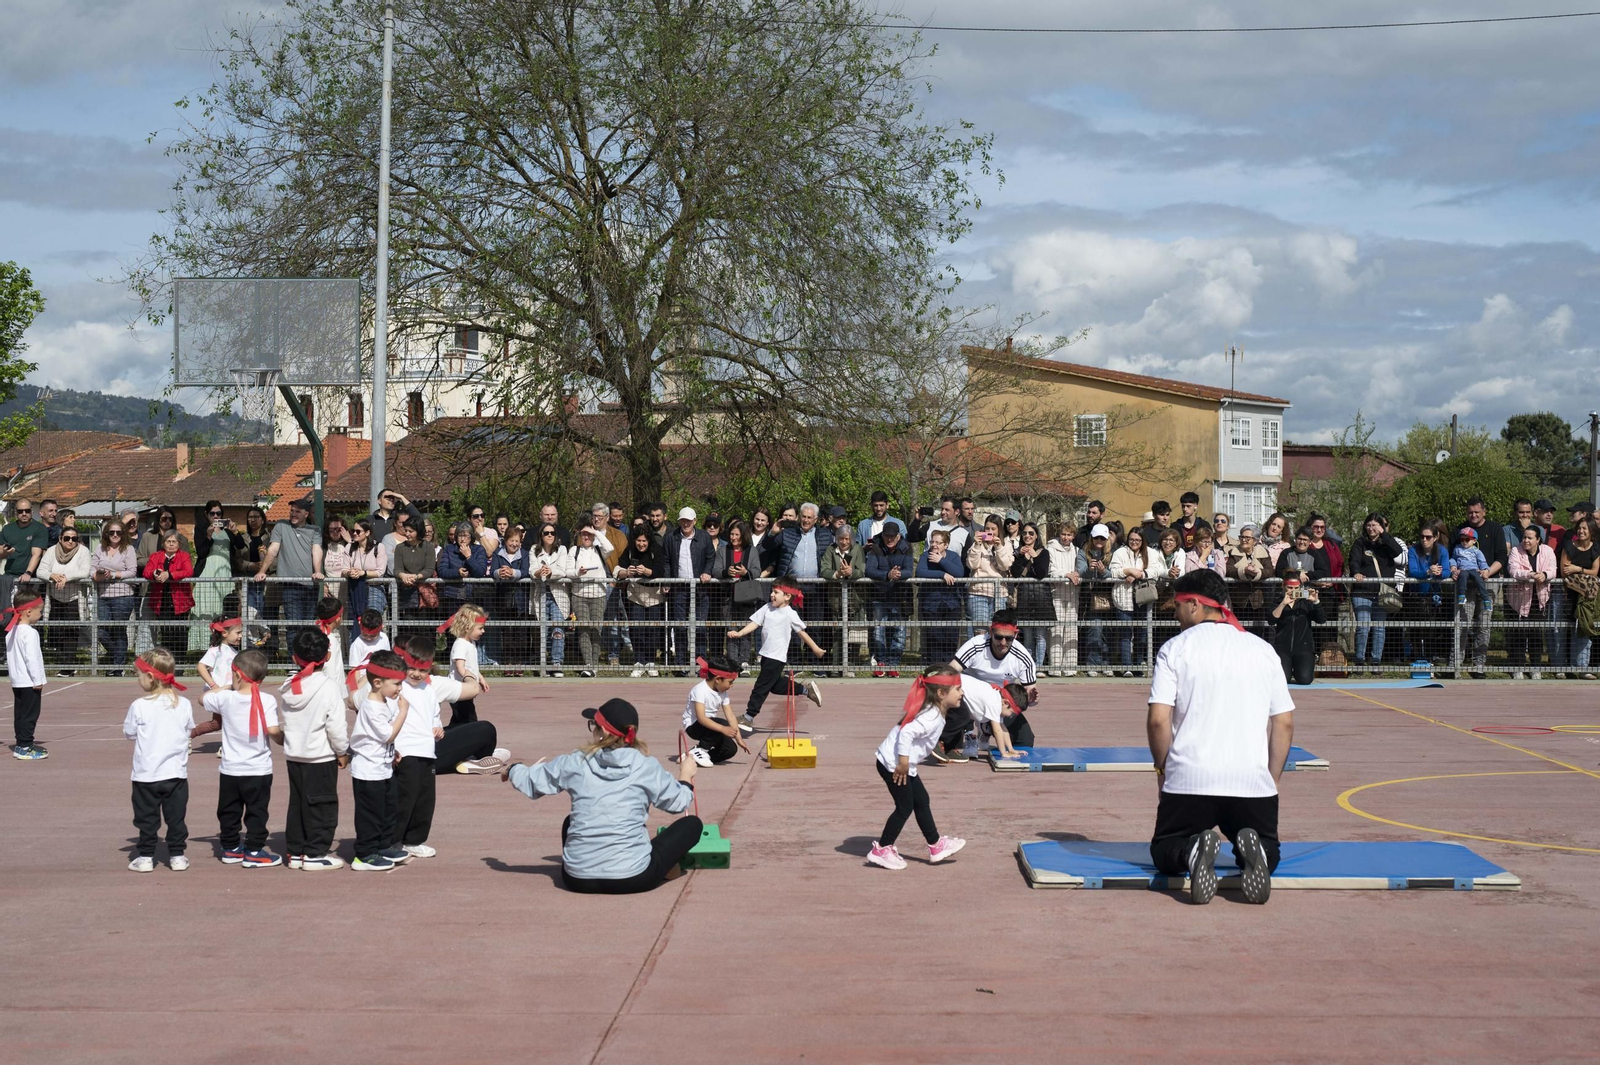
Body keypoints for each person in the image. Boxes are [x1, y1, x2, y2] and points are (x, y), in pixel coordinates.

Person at [1147, 569, 1294, 905]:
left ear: (1195, 605)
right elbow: (1284, 723)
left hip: (1190, 779)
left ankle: (1191, 851)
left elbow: (1158, 720)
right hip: (1250, 781)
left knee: (1166, 846)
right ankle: (1255, 851)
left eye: (1178, 607)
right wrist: (1270, 780)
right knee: (1270, 848)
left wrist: (1162, 769)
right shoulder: (1261, 650)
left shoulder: (1175, 649)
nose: (1175, 614)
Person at [503, 697, 702, 894]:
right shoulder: (645, 765)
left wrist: (513, 769)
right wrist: (685, 775)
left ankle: (588, 863)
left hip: (576, 880)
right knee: (692, 824)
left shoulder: (577, 761)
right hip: (633, 878)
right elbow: (678, 803)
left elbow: (531, 780)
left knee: (570, 822)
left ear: (602, 732)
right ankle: (658, 865)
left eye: (593, 725)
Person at [392, 635, 490, 858]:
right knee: (404, 799)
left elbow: (434, 715)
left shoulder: (429, 689)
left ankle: (414, 840)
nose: (416, 674)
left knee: (425, 799)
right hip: (405, 751)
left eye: (422, 670)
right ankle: (393, 841)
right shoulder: (398, 688)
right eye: (411, 668)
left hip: (427, 751)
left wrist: (438, 728)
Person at [866, 669, 968, 871]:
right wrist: (903, 763)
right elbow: (906, 733)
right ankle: (882, 849)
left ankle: (936, 845)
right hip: (894, 764)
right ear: (941, 694)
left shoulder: (935, 711)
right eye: (958, 689)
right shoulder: (931, 715)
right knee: (905, 806)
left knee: (921, 800)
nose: (962, 693)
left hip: (901, 763)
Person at [278, 628, 350, 871]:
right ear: (327, 656)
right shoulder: (329, 687)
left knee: (297, 804)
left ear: (294, 658)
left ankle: (296, 851)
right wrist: (342, 751)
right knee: (322, 805)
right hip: (320, 756)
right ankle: (315, 852)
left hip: (294, 754)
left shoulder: (289, 685)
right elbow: (336, 727)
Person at [204, 648, 283, 867]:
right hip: (258, 769)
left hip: (231, 769)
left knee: (229, 810)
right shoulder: (267, 700)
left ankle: (230, 848)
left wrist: (227, 687)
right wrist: (283, 740)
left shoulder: (226, 698)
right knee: (257, 811)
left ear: (237, 675)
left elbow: (203, 699)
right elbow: (273, 730)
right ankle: (254, 850)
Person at [124, 647, 195, 871]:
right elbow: (188, 729)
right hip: (175, 774)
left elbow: (129, 733)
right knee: (176, 817)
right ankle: (177, 855)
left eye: (139, 675)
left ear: (151, 677)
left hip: (146, 775)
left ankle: (145, 856)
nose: (138, 679)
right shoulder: (183, 704)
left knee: (146, 818)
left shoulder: (139, 706)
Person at [347, 649, 414, 871]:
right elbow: (387, 734)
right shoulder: (371, 706)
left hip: (383, 767)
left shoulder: (382, 702)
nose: (399, 689)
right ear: (377, 682)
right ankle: (364, 854)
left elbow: (382, 739)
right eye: (396, 684)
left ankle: (382, 846)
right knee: (370, 814)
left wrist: (391, 750)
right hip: (368, 772)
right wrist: (403, 712)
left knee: (388, 810)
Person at [729, 581, 826, 731]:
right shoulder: (767, 608)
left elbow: (802, 633)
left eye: (775, 592)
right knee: (774, 686)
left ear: (787, 596)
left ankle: (749, 717)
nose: (771, 595)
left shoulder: (790, 614)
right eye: (772, 592)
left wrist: (816, 648)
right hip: (766, 656)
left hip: (777, 657)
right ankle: (806, 690)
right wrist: (740, 633)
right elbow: (754, 623)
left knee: (760, 687)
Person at [947, 609, 1039, 750]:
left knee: (1025, 742)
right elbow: (949, 674)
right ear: (990, 632)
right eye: (998, 637)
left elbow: (1030, 695)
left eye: (1008, 638)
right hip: (969, 701)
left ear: (1016, 634)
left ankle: (985, 729)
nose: (1003, 642)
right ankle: (967, 732)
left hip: (1001, 702)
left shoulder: (1023, 658)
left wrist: (1032, 699)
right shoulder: (975, 645)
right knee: (954, 743)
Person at [933, 672, 1028, 763]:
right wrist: (1003, 753)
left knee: (961, 717)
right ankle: (936, 741)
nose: (1011, 716)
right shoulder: (994, 702)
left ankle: (948, 748)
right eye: (1012, 713)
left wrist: (1011, 749)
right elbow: (997, 731)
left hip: (953, 685)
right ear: (1006, 703)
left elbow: (1003, 729)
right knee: (962, 716)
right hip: (949, 685)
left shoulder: (998, 700)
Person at [1348, 514, 1404, 669]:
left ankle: (1376, 660)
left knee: (1380, 627)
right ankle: (1359, 659)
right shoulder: (1360, 543)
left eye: (1375, 525)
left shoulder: (1387, 543)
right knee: (1363, 626)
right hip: (1362, 592)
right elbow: (1354, 560)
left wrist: (1384, 534)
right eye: (1368, 525)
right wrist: (1356, 572)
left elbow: (1398, 553)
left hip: (1382, 593)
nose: (1371, 528)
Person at [663, 507, 714, 670]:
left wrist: (707, 571)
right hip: (679, 589)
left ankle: (700, 663)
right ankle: (680, 663)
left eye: (689, 520)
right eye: (683, 520)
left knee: (699, 627)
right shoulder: (670, 537)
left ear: (695, 521)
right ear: (678, 521)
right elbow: (666, 561)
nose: (686, 523)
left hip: (700, 589)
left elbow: (711, 557)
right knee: (680, 626)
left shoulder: (704, 537)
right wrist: (667, 581)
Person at [37, 522, 91, 674]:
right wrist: (52, 576)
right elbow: (40, 571)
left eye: (74, 539)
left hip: (74, 597)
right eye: (67, 538)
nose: (70, 541)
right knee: (57, 631)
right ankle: (63, 660)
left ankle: (68, 666)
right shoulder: (51, 551)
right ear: (60, 539)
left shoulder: (83, 551)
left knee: (70, 631)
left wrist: (66, 577)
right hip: (55, 597)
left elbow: (84, 572)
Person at [258, 497, 323, 624]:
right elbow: (273, 549)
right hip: (290, 584)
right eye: (292, 510)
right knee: (293, 624)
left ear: (306, 514)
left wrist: (318, 571)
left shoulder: (314, 530)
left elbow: (316, 550)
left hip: (310, 584)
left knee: (309, 624)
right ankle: (293, 645)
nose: (293, 514)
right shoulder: (281, 525)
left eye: (298, 511)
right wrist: (262, 571)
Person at [1506, 525, 1556, 679]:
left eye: (1530, 538)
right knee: (1519, 634)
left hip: (1539, 599)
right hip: (1518, 600)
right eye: (1524, 537)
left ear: (1538, 540)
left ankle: (1536, 667)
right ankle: (1518, 667)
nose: (1526, 540)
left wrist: (1545, 575)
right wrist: (1530, 574)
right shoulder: (1516, 550)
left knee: (1535, 634)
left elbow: (1553, 569)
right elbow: (1513, 570)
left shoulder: (1547, 551)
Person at [865, 521, 913, 678]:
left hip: (899, 596)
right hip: (879, 595)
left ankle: (894, 663)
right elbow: (870, 570)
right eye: (887, 536)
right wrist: (887, 575)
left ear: (898, 536)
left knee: (899, 631)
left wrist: (899, 575)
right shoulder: (875, 547)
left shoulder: (907, 547)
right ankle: (881, 662)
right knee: (879, 630)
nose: (890, 539)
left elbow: (909, 570)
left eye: (893, 536)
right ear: (883, 535)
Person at [683, 654, 749, 766]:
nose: (731, 686)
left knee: (730, 749)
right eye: (730, 682)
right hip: (694, 726)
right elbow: (701, 718)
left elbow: (731, 716)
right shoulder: (699, 690)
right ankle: (701, 750)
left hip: (711, 728)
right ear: (718, 679)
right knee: (722, 723)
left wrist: (739, 739)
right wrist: (723, 728)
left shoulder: (723, 693)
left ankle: (692, 758)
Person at [1110, 526, 1159, 676]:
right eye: (1131, 539)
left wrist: (1140, 574)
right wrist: (1128, 571)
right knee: (1125, 633)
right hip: (1123, 598)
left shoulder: (1151, 553)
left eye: (1137, 540)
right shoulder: (1120, 552)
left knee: (1141, 634)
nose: (1134, 542)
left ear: (1143, 540)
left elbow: (1156, 570)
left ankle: (1138, 666)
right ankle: (1127, 667)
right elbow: (1113, 570)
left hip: (1143, 599)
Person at [618, 526, 665, 677]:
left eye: (644, 541)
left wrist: (647, 572)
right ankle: (638, 662)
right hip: (635, 594)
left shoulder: (656, 549)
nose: (641, 544)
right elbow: (619, 567)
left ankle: (651, 662)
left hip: (654, 595)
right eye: (638, 540)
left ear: (649, 540)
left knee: (653, 630)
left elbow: (660, 570)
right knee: (636, 628)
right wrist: (627, 572)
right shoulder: (629, 550)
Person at [92, 522, 140, 672]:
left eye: (118, 532)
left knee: (119, 630)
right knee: (101, 631)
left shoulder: (128, 549)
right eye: (111, 532)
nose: (115, 535)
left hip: (123, 594)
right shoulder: (100, 548)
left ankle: (118, 667)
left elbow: (132, 572)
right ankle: (117, 657)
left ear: (123, 534)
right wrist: (97, 575)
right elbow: (91, 568)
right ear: (106, 533)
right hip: (103, 594)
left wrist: (113, 575)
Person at [188, 501, 233, 655]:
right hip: (207, 571)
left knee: (224, 609)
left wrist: (235, 532)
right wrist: (208, 535)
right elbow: (201, 552)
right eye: (212, 513)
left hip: (225, 572)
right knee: (206, 608)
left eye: (218, 514)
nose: (215, 516)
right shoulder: (200, 528)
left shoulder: (228, 530)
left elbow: (239, 547)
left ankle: (225, 646)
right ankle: (203, 647)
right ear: (206, 514)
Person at [916, 529, 965, 668]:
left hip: (951, 604)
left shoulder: (953, 556)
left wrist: (941, 561)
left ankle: (949, 667)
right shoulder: (925, 556)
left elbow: (959, 573)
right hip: (931, 604)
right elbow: (920, 572)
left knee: (950, 636)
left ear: (946, 545)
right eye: (932, 541)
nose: (934, 545)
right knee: (934, 636)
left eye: (938, 542)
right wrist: (941, 574)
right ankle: (935, 667)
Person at [1558, 517, 1600, 679]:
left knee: (1584, 629)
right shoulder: (1569, 546)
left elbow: (1595, 572)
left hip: (1587, 598)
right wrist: (1585, 574)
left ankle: (1583, 668)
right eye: (1579, 528)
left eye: (1585, 528)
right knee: (1563, 631)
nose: (1581, 531)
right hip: (1569, 594)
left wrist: (1578, 569)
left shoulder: (1596, 548)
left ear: (1591, 531)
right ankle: (1561, 668)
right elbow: (1565, 572)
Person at [7, 591, 47, 759]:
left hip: (17, 681)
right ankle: (25, 746)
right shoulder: (29, 633)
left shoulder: (12, 631)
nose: (41, 615)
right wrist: (37, 680)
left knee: (20, 714)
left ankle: (21, 743)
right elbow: (32, 658)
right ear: (29, 612)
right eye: (40, 611)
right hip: (29, 681)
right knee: (30, 715)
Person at [1008, 522, 1053, 669]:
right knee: (1027, 635)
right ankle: (1028, 666)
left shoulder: (1044, 552)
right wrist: (1022, 557)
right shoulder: (1018, 552)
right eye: (1025, 533)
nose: (1027, 536)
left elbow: (1041, 573)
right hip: (1024, 597)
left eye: (1031, 533)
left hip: (1041, 598)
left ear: (1036, 536)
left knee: (1040, 635)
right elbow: (1015, 573)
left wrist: (1035, 556)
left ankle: (1039, 666)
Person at [1044, 521, 1086, 676]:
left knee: (1071, 630)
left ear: (1073, 536)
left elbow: (1081, 570)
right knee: (1056, 630)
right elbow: (1052, 570)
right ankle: (1055, 666)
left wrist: (1076, 575)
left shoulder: (1076, 550)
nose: (1066, 537)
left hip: (1073, 593)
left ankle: (1070, 667)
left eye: (1069, 535)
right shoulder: (1051, 548)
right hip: (1056, 593)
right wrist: (1066, 574)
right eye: (1063, 534)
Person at [488, 525, 532, 673]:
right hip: (504, 598)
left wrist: (513, 572)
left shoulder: (525, 554)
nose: (514, 544)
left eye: (517, 541)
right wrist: (500, 573)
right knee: (506, 631)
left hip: (520, 599)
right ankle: (507, 663)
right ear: (505, 541)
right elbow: (492, 571)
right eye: (511, 540)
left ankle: (519, 663)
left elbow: (526, 571)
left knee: (520, 632)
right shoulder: (497, 554)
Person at [143, 532, 194, 657]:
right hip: (162, 601)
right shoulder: (156, 556)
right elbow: (146, 571)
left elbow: (188, 571)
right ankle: (167, 663)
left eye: (174, 541)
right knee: (166, 633)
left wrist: (169, 575)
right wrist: (155, 573)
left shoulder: (184, 556)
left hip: (180, 601)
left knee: (180, 633)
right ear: (163, 543)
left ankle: (180, 664)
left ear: (179, 544)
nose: (171, 544)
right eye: (168, 541)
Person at [568, 525, 610, 677]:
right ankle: (588, 664)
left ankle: (595, 664)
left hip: (598, 594)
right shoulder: (574, 550)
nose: (586, 537)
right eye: (583, 534)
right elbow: (568, 571)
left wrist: (597, 533)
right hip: (579, 594)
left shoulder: (599, 549)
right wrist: (578, 572)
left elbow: (610, 548)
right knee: (584, 628)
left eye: (589, 534)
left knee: (596, 629)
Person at [822, 524, 866, 668]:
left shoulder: (858, 549)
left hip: (855, 599)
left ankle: (851, 665)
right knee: (837, 633)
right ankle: (836, 666)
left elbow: (862, 570)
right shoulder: (830, 550)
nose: (844, 542)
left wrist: (851, 572)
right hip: (836, 598)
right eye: (841, 539)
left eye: (847, 539)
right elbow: (824, 570)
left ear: (851, 539)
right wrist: (838, 574)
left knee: (854, 634)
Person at [963, 515, 1013, 632]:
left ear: (999, 529)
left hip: (999, 592)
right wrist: (976, 545)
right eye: (987, 529)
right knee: (980, 630)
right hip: (978, 591)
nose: (990, 532)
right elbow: (972, 564)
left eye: (993, 529)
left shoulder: (1006, 544)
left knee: (998, 628)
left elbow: (1005, 566)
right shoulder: (977, 543)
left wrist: (999, 547)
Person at [0, 498, 49, 616]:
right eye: (20, 511)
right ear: (15, 511)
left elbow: (36, 554)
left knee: (30, 615)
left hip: (31, 581)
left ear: (32, 511)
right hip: (10, 579)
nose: (24, 514)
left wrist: (28, 572)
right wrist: (6, 553)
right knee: (10, 615)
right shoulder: (7, 529)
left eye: (27, 510)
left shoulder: (40, 528)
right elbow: (1, 553)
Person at [1271, 579, 1324, 685]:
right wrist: (1283, 604)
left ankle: (1298, 669)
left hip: (1303, 647)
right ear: (1283, 586)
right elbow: (1271, 620)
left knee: (1305, 679)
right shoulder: (1278, 600)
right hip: (1283, 648)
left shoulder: (1306, 601)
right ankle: (1288, 669)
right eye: (1290, 588)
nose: (1293, 591)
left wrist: (1315, 602)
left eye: (1296, 588)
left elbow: (1321, 620)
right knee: (1283, 680)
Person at [444, 603, 489, 726]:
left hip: (465, 690)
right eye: (480, 628)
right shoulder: (460, 644)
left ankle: (447, 735)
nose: (483, 631)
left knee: (458, 719)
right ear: (467, 627)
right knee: (469, 720)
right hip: (459, 690)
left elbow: (472, 666)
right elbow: (461, 668)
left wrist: (480, 678)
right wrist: (469, 680)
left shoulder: (470, 643)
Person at [1080, 523, 1113, 675]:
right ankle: (1092, 663)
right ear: (1091, 537)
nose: (1099, 540)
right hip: (1090, 598)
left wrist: (1103, 571)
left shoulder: (1112, 554)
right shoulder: (1083, 553)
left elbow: (1114, 573)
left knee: (1108, 631)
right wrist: (1090, 570)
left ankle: (1105, 663)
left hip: (1110, 597)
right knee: (1094, 630)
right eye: (1096, 537)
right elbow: (1080, 572)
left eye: (1102, 537)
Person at [437, 521, 489, 613]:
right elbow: (442, 570)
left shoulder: (479, 550)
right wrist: (457, 572)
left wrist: (469, 557)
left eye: (466, 536)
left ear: (471, 537)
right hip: (452, 596)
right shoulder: (449, 549)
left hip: (473, 596)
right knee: (454, 625)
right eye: (460, 536)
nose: (462, 539)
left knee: (472, 625)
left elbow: (480, 572)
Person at [345, 519, 388, 629]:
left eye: (358, 531)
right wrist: (350, 572)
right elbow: (344, 569)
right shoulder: (349, 547)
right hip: (355, 588)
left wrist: (363, 573)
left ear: (367, 533)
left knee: (372, 621)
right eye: (353, 531)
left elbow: (380, 572)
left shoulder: (379, 547)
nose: (354, 533)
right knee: (353, 622)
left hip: (374, 588)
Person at [392, 518, 437, 622]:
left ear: (419, 531)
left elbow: (429, 569)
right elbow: (397, 569)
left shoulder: (428, 546)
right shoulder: (400, 548)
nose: (407, 534)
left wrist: (417, 577)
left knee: (424, 626)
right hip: (407, 592)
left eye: (411, 531)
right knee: (408, 624)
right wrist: (403, 576)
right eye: (406, 530)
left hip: (425, 591)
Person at [198, 616, 242, 692]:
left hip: (230, 692)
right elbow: (201, 666)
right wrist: (213, 685)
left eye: (241, 632)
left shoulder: (235, 652)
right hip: (217, 693)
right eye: (238, 633)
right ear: (224, 633)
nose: (241, 635)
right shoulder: (215, 651)